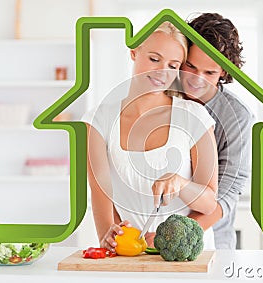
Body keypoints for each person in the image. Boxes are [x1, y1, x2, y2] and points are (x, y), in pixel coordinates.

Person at [82, 22, 219, 251]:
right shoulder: (98, 119)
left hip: (191, 260)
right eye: (154, 59)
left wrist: (181, 183)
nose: (162, 72)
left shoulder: (193, 116)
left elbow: (209, 203)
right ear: (134, 52)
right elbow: (100, 193)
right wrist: (111, 238)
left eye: (172, 65)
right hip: (134, 254)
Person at [180, 13, 255, 249]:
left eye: (209, 73)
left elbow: (228, 191)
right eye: (190, 66)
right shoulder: (158, 98)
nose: (196, 80)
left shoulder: (237, 117)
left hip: (211, 244)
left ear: (223, 71)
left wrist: (172, 236)